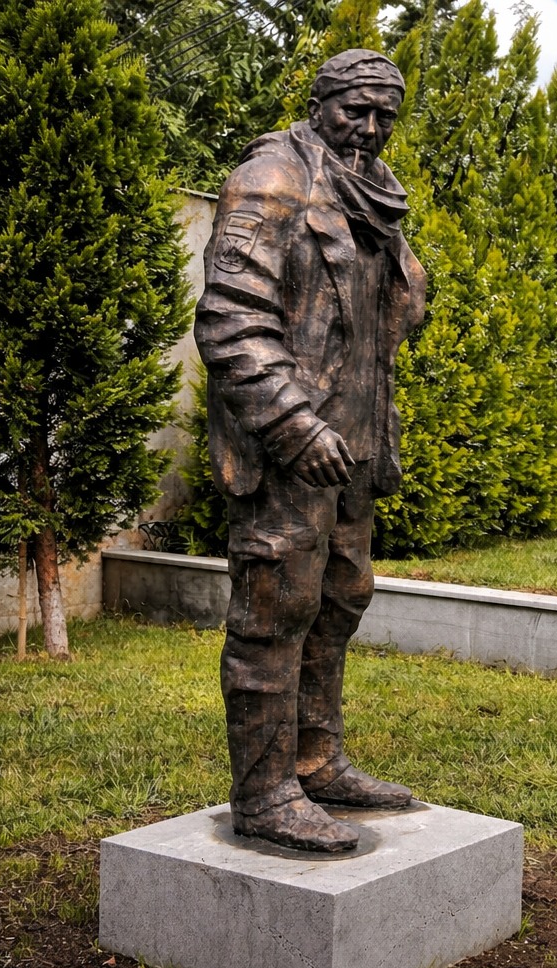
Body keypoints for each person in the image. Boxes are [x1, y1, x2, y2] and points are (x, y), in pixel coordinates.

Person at [196, 49, 427, 852]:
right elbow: (230, 315)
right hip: (293, 447)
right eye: (355, 110)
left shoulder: (373, 193)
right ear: (321, 101)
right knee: (274, 611)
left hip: (356, 443)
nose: (370, 127)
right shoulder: (272, 180)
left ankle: (316, 760)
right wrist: (294, 424)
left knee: (339, 598)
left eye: (384, 114)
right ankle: (262, 795)